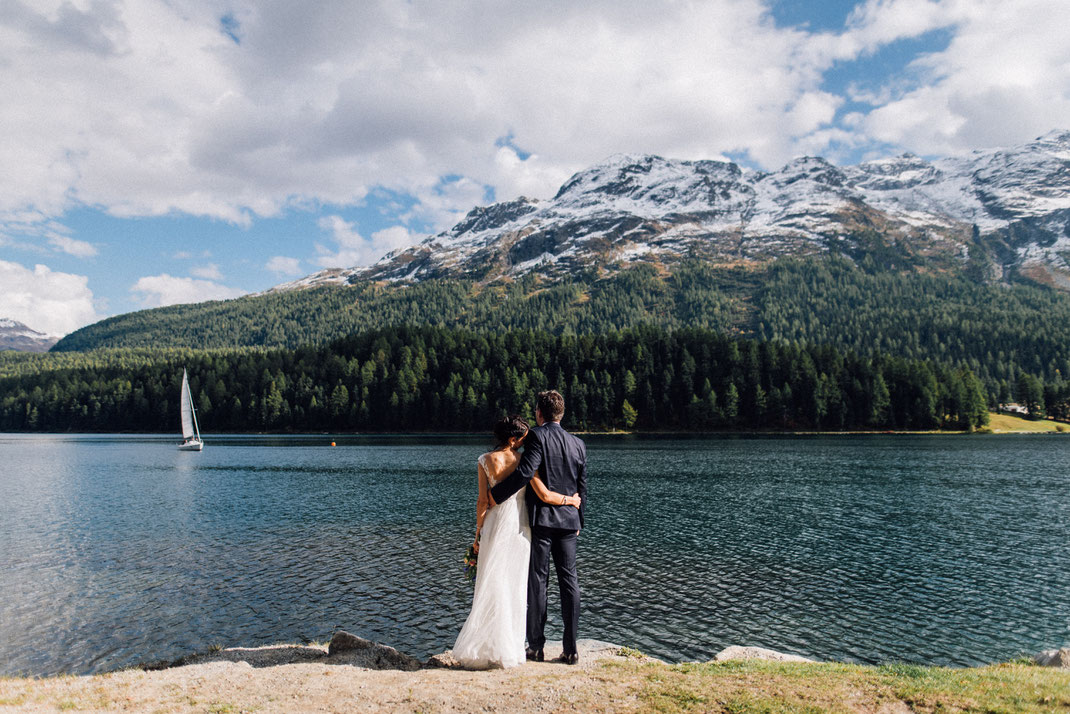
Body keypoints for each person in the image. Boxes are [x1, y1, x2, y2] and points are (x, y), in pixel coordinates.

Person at [452, 415, 581, 669]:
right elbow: (543, 494)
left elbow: (482, 502)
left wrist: (478, 534)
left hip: (494, 525)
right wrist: (572, 502)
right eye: (523, 437)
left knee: (490, 580)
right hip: (520, 527)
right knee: (515, 584)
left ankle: (487, 645)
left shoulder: (484, 460)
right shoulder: (524, 461)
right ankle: (510, 647)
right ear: (513, 439)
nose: (526, 441)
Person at [490, 390, 587, 665]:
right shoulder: (579, 444)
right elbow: (583, 486)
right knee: (570, 583)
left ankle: (536, 647)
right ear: (562, 413)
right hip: (569, 521)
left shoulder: (537, 436)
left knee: (538, 583)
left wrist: (496, 497)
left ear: (539, 413)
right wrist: (580, 520)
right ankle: (571, 649)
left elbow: (524, 472)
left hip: (543, 521)